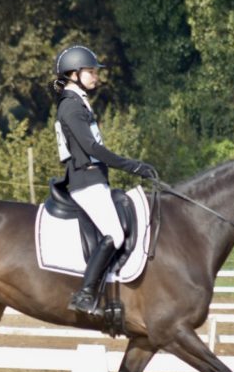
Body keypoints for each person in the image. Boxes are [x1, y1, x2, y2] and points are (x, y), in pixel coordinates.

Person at [53, 45, 157, 315]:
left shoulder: (79, 103)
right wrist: (132, 166)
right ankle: (85, 295)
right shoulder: (71, 107)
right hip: (86, 181)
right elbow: (92, 148)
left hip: (95, 179)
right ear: (74, 74)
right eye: (90, 71)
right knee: (115, 233)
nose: (96, 76)